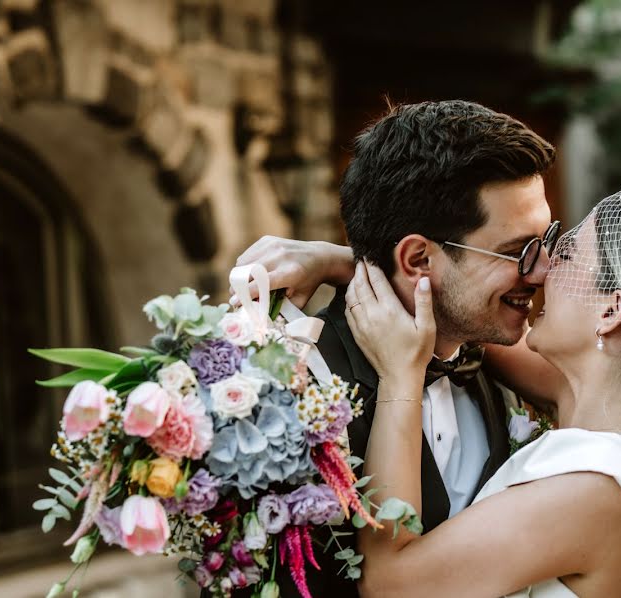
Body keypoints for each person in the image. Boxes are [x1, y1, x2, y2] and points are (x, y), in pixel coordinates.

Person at [244, 173, 621, 597]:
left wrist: (400, 376)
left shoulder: (597, 491)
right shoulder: (601, 414)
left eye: (563, 254)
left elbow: (392, 585)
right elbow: (463, 308)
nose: (539, 270)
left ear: (612, 310)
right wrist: (355, 264)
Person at [232, 99, 557, 597]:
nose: (542, 271)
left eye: (546, 242)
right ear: (418, 257)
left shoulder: (496, 364)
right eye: (518, 252)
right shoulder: (284, 396)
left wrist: (340, 261)